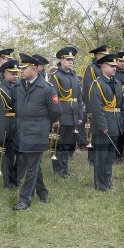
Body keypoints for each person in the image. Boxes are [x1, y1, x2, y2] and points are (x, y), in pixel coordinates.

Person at [12, 53, 61, 210]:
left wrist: (43, 123)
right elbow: (15, 106)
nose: (21, 71)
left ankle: (25, 200)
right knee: (31, 164)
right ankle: (43, 192)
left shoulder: (47, 88)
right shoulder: (18, 86)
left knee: (31, 166)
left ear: (33, 69)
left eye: (23, 68)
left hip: (38, 132)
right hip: (22, 132)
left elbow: (56, 111)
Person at [89, 53, 124, 190]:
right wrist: (103, 126)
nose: (115, 68)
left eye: (115, 66)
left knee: (110, 157)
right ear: (103, 67)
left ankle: (108, 181)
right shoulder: (97, 84)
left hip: (115, 124)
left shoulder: (116, 83)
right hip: (103, 127)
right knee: (101, 158)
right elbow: (97, 108)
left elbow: (121, 105)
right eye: (112, 66)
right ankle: (100, 184)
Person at [49, 47, 83, 177]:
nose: (70, 62)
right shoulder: (56, 76)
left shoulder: (74, 76)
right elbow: (54, 98)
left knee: (68, 144)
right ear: (61, 60)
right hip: (61, 115)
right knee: (59, 143)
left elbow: (79, 98)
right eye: (68, 59)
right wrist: (55, 117)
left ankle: (65, 169)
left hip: (73, 114)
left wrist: (79, 115)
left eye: (72, 60)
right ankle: (58, 170)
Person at [0, 59, 21, 188]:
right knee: (8, 156)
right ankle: (9, 182)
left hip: (19, 124)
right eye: (12, 73)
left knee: (21, 154)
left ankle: (16, 177)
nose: (15, 76)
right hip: (7, 124)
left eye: (16, 73)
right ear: (5, 74)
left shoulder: (20, 86)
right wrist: (0, 132)